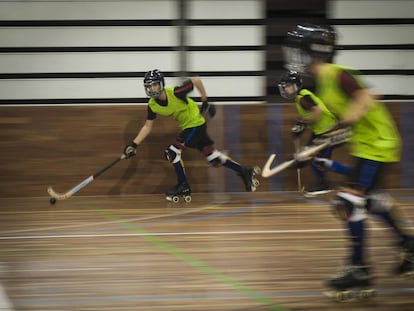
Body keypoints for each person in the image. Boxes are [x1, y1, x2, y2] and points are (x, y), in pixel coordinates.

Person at [282, 24, 414, 293]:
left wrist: (343, 125)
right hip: (366, 146)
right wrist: (313, 150)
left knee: (347, 202)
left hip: (378, 145)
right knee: (371, 201)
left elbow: (364, 98)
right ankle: (408, 244)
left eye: (299, 50)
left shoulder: (336, 74)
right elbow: (339, 120)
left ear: (313, 52)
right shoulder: (323, 85)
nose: (295, 56)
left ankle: (359, 269)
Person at [122, 69, 259, 202]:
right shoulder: (152, 105)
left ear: (162, 84)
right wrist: (133, 145)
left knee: (172, 152)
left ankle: (183, 185)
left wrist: (205, 100)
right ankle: (244, 170)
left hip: (195, 124)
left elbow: (196, 80)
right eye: (149, 86)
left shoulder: (176, 93)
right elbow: (147, 126)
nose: (152, 89)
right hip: (191, 126)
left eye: (155, 84)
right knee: (213, 158)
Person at [278, 70, 352, 196]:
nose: (285, 89)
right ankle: (326, 181)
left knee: (318, 160)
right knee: (312, 157)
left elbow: (317, 112)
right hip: (321, 131)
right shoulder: (301, 97)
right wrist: (300, 128)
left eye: (288, 86)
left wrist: (303, 122)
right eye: (284, 87)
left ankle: (348, 175)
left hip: (329, 131)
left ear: (295, 85)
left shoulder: (302, 98)